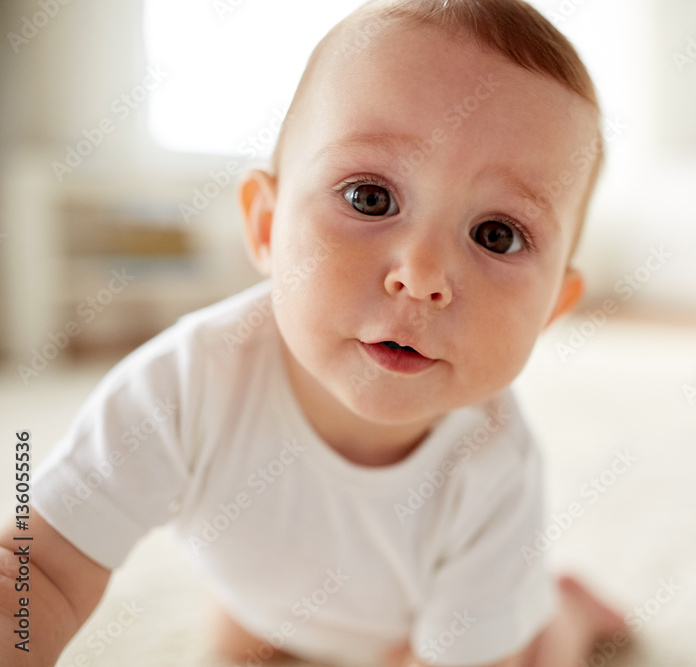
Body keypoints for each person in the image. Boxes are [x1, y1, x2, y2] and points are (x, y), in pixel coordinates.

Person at [1, 1, 629, 665]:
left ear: (552, 310)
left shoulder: (494, 466)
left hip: (433, 640)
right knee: (236, 647)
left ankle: (568, 610)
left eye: (496, 235)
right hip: (261, 609)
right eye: (370, 198)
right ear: (267, 228)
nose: (421, 275)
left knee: (540, 652)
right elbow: (40, 565)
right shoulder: (185, 383)